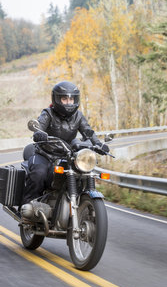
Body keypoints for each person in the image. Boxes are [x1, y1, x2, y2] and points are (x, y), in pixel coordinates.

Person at [20, 81, 109, 211]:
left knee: (80, 174)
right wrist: (39, 133)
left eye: (71, 99)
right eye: (64, 99)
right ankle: (27, 207)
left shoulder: (78, 116)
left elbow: (88, 131)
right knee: (38, 174)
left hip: (66, 155)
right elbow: (39, 125)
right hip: (45, 154)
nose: (69, 102)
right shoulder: (48, 113)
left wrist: (99, 144)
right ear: (57, 99)